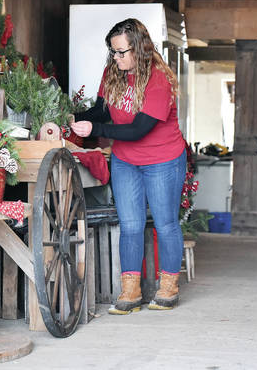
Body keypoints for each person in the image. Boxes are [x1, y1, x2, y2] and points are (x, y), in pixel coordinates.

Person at [71, 18, 186, 314]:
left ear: (139, 49)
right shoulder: (114, 72)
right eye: (113, 52)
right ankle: (131, 291)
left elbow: (137, 130)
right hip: (126, 161)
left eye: (122, 52)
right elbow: (101, 109)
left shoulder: (158, 79)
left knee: (165, 223)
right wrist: (73, 116)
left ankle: (168, 287)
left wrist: (96, 128)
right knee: (131, 225)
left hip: (163, 159)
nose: (116, 58)